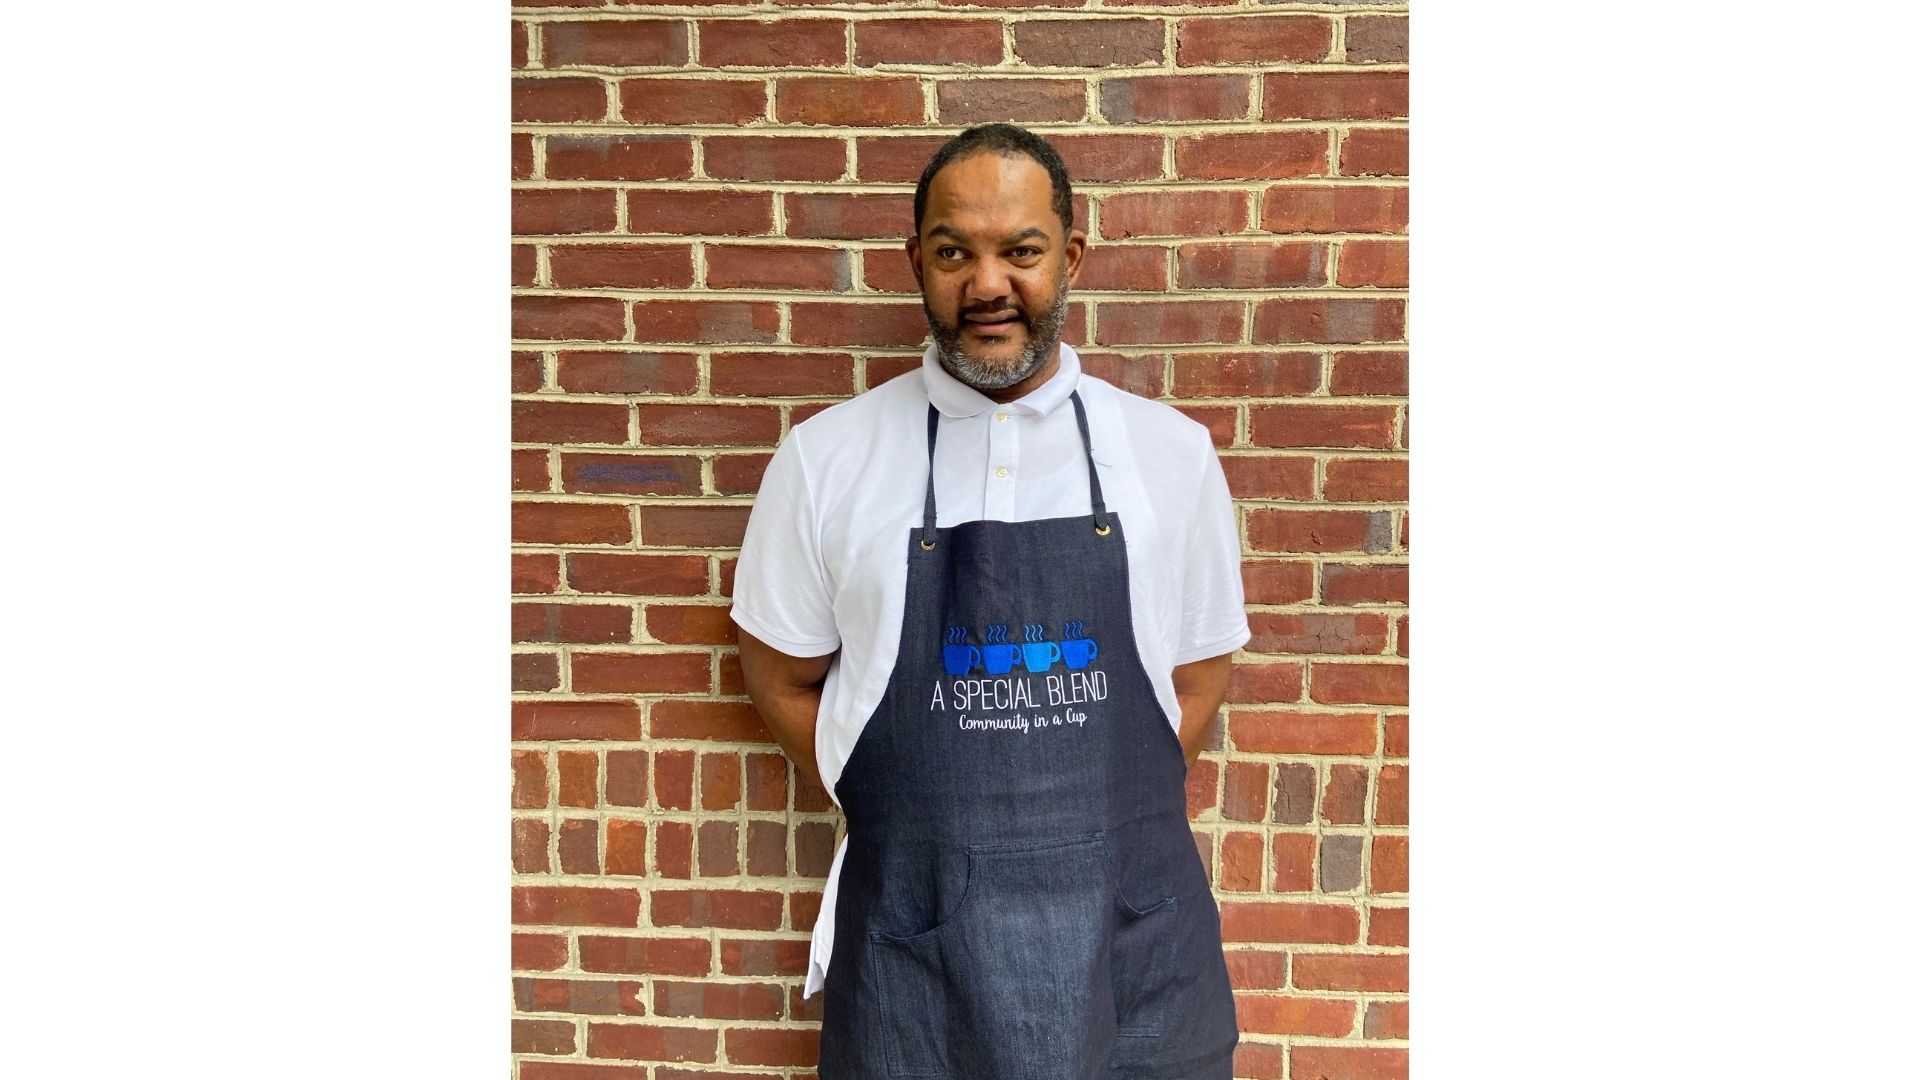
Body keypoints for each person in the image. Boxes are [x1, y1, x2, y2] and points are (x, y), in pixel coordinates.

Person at [730, 122, 1250, 1080]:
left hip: (1127, 944)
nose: (987, 286)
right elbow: (778, 673)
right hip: (913, 951)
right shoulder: (827, 458)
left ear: (1072, 258)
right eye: (953, 253)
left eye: (1020, 252)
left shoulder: (1172, 455)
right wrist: (905, 809)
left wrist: (1081, 824)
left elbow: (1199, 673)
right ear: (915, 263)